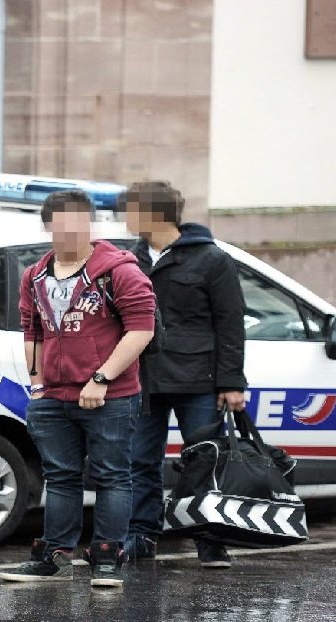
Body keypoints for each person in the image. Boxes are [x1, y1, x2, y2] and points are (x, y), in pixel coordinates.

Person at [0, 190, 155, 588]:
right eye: (59, 223)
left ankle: (107, 557)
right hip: (53, 395)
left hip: (110, 396)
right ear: (48, 226)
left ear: (89, 225)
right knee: (61, 477)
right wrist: (36, 383)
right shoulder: (35, 275)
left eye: (77, 222)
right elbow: (31, 329)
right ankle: (54, 555)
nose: (68, 231)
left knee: (112, 475)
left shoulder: (119, 271)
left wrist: (101, 378)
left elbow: (141, 330)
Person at [123, 181, 248, 568]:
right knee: (139, 460)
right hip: (142, 377)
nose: (125, 217)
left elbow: (230, 323)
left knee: (202, 460)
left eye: (130, 209)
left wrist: (231, 381)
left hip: (198, 378)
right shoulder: (127, 259)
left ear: (153, 214)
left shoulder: (211, 259)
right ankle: (141, 536)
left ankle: (209, 539)